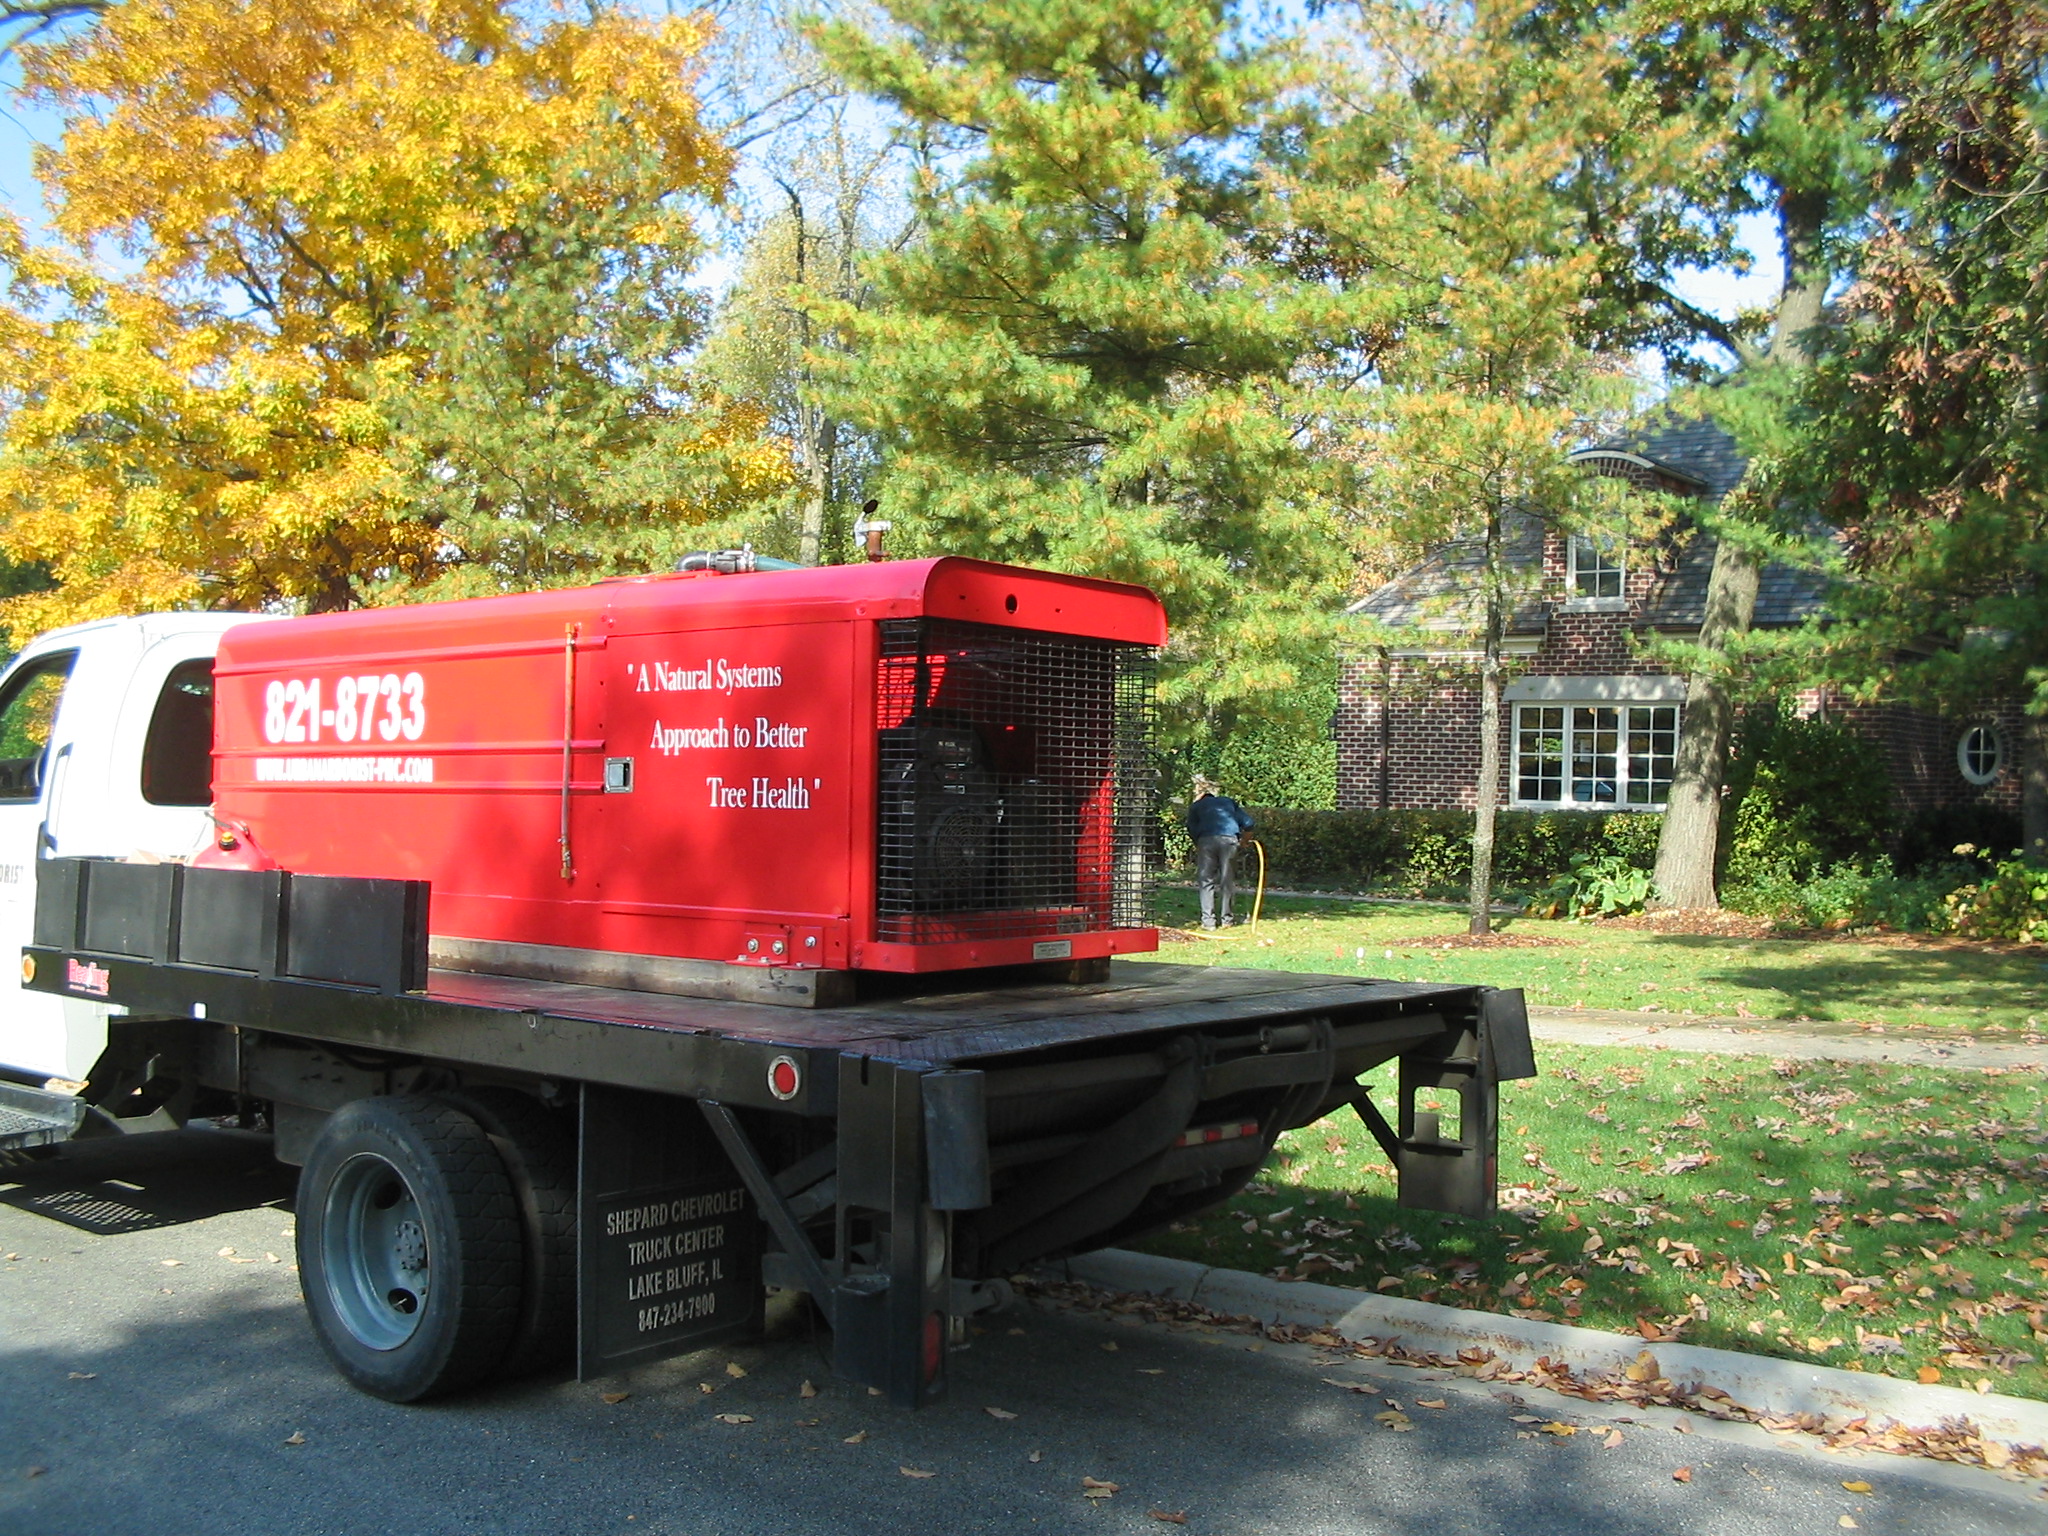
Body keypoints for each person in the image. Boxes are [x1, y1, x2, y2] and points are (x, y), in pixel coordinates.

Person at [1186, 775, 1254, 929]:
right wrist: (1244, 842)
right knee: (1227, 880)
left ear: (1201, 796)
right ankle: (1227, 920)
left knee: (1206, 880)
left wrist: (1199, 842)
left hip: (1207, 841)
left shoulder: (1196, 806)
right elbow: (1249, 823)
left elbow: (1191, 828)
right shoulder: (1228, 802)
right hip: (1229, 841)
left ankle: (1208, 922)